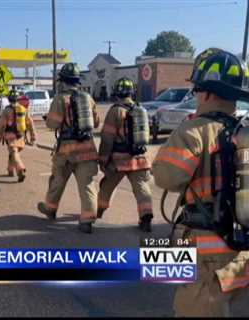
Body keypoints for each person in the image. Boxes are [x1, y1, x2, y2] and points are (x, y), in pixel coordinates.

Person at [153, 48, 249, 317]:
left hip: (206, 251)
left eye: (196, 90)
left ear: (206, 93)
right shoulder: (244, 131)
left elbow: (167, 177)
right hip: (241, 248)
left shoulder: (194, 130)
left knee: (197, 306)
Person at [37, 62, 100, 233]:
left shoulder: (60, 98)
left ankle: (50, 209)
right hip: (87, 149)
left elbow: (53, 123)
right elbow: (95, 123)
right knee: (87, 185)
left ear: (63, 81)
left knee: (58, 180)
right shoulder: (87, 98)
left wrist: (48, 118)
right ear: (77, 81)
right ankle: (87, 220)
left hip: (66, 151)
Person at [97, 77, 153, 232]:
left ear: (117, 92)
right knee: (142, 188)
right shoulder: (140, 109)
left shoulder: (115, 110)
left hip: (119, 161)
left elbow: (107, 138)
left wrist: (103, 159)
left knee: (107, 186)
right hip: (140, 158)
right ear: (131, 92)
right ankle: (146, 215)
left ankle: (98, 211)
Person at [0, 89, 36, 182]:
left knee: (14, 153)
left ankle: (20, 170)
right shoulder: (23, 109)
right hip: (21, 135)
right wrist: (33, 136)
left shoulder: (7, 110)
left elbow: (1, 124)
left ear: (9, 99)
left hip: (10, 135)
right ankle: (10, 170)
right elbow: (30, 123)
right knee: (13, 153)